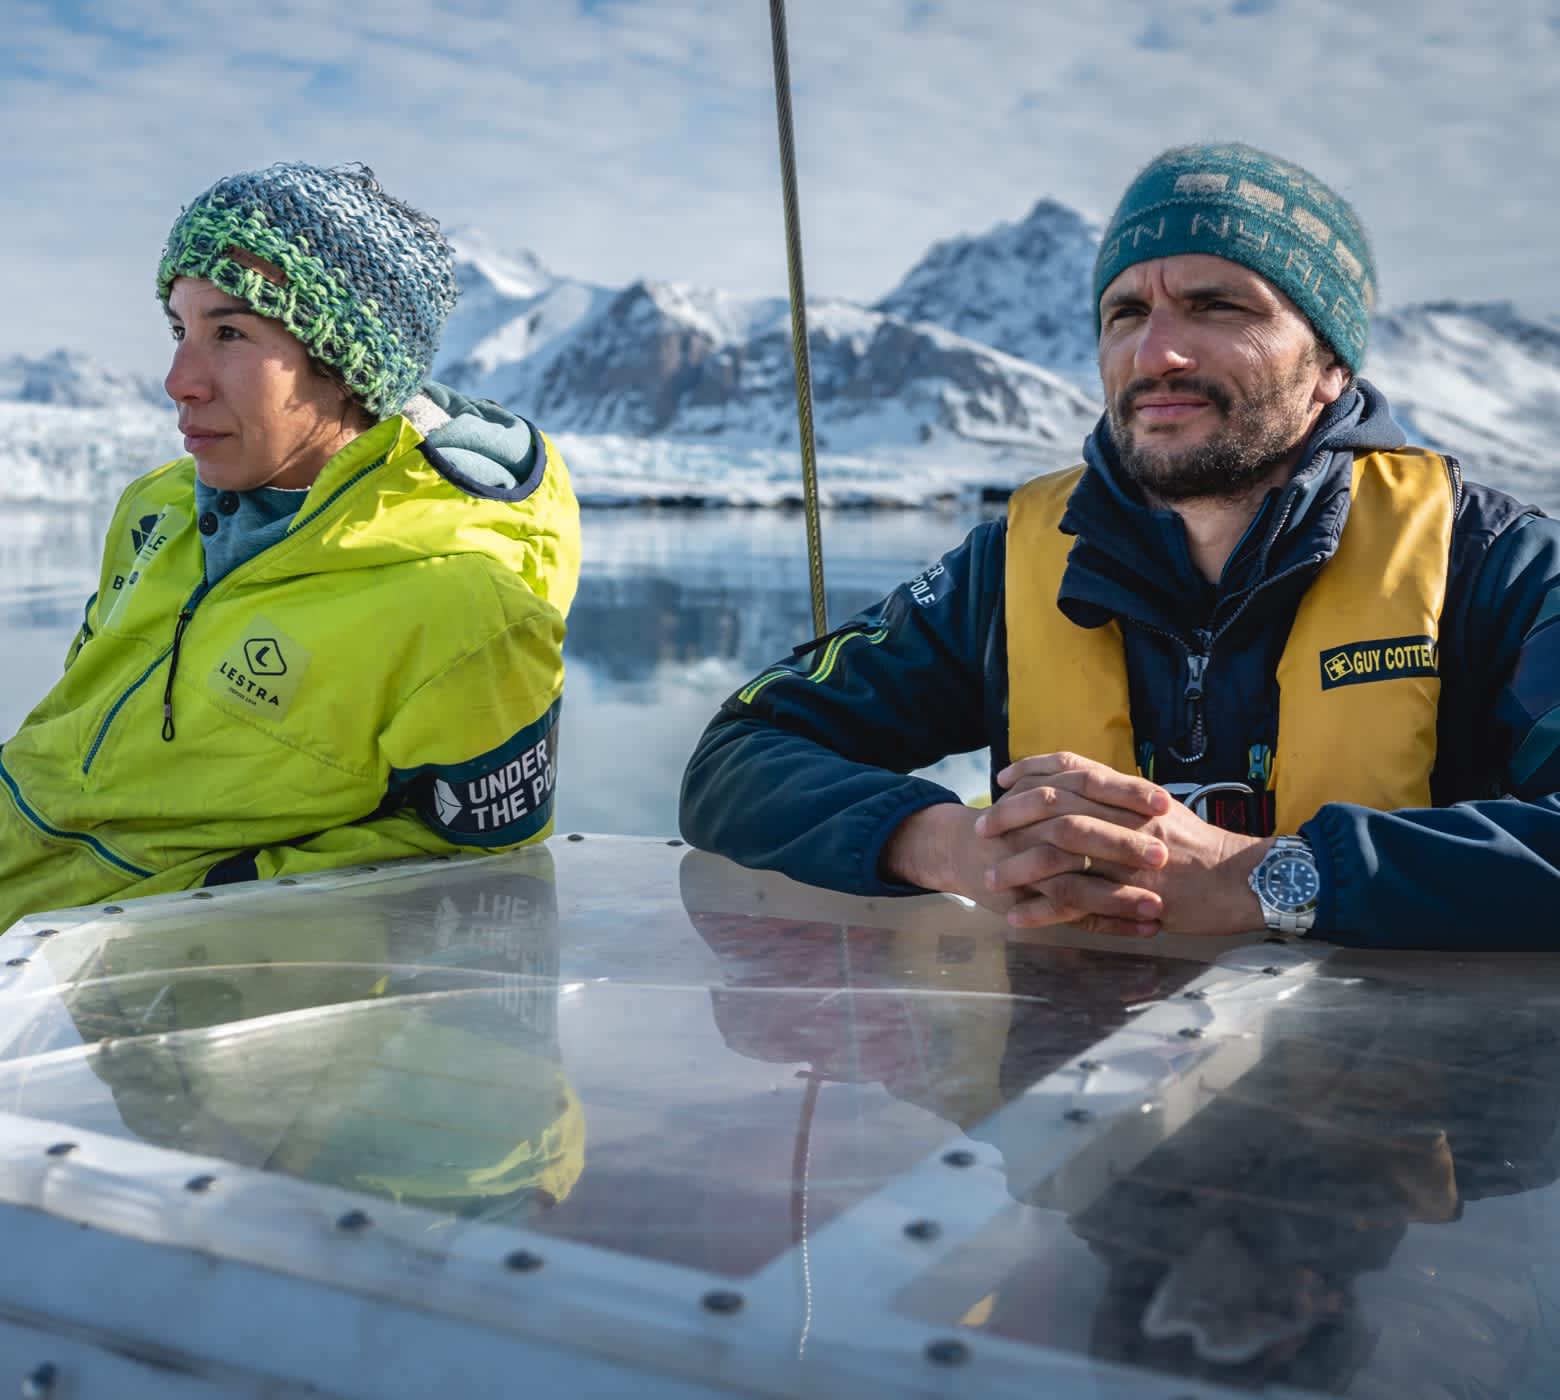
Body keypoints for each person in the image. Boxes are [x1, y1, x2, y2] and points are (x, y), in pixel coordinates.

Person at [680, 142, 1560, 949]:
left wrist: (1269, 879)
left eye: (1217, 306)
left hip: (1404, 1096)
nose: (1156, 353)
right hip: (1081, 1104)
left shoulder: (1494, 565)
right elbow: (740, 754)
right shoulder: (1010, 567)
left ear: (1331, 364)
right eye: (1124, 313)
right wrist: (954, 847)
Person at [0, 162, 580, 932]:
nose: (179, 380)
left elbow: (479, 892)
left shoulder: (465, 608)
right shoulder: (158, 507)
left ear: (346, 369)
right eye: (181, 329)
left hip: (116, 981)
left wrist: (189, 918)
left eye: (230, 332)